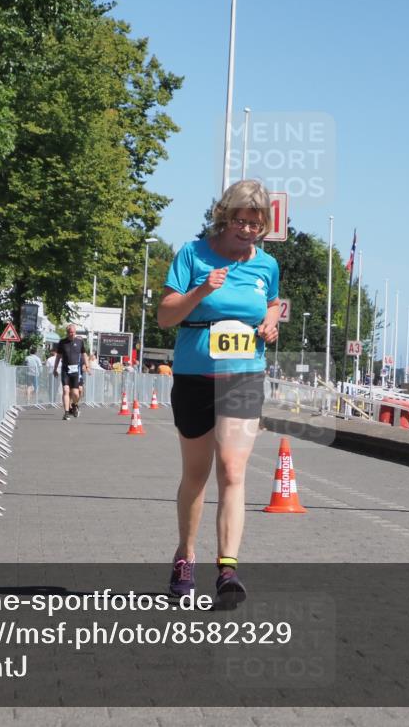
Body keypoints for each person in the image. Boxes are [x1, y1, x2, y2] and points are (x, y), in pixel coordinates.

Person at [156, 179, 280, 606]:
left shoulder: (267, 265)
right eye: (240, 221)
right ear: (224, 217)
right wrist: (202, 290)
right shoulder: (192, 255)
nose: (246, 231)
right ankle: (185, 557)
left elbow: (273, 301)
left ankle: (228, 569)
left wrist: (272, 320)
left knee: (232, 469)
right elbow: (165, 317)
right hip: (195, 374)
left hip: (244, 375)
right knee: (196, 474)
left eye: (255, 224)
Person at [53, 325, 90, 420]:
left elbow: (84, 354)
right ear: (67, 332)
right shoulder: (62, 342)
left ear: (75, 332)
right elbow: (58, 356)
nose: (72, 334)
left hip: (75, 371)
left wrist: (87, 365)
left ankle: (74, 404)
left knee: (76, 394)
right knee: (66, 390)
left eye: (73, 332)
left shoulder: (80, 342)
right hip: (65, 370)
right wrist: (55, 368)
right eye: (70, 332)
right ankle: (66, 412)